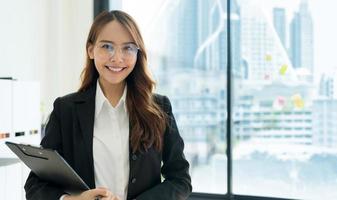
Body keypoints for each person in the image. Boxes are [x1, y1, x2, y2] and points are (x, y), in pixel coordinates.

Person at [24, 10, 192, 200]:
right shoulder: (66, 109)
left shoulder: (159, 108)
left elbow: (180, 180)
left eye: (127, 48)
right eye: (107, 46)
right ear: (90, 50)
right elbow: (35, 184)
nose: (117, 58)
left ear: (138, 53)